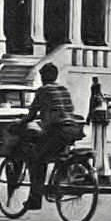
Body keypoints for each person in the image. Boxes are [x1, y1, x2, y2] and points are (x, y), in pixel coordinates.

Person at [20, 63, 80, 210]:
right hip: (73, 129)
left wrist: (20, 122)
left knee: (37, 160)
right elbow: (69, 110)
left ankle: (35, 199)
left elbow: (32, 114)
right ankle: (59, 178)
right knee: (58, 155)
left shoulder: (43, 90)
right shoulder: (63, 89)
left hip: (57, 131)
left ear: (44, 77)